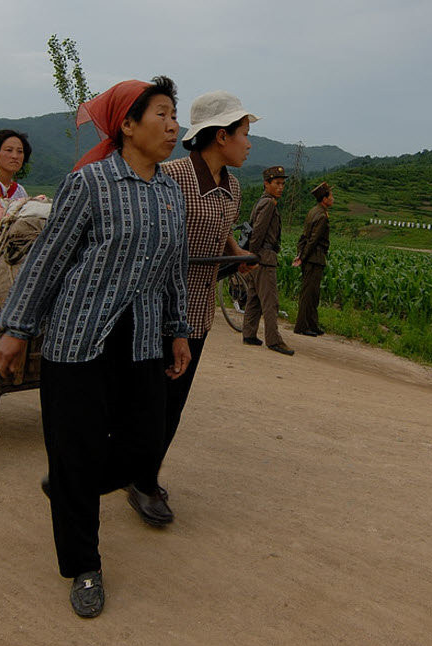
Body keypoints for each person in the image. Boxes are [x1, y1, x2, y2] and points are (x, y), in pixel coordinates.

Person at [0, 77, 191, 619]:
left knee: (144, 443)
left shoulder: (170, 191)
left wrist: (177, 328)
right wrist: (17, 328)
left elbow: (172, 269)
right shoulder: (90, 182)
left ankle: (67, 485)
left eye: (175, 115)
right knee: (77, 450)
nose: (174, 125)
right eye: (161, 114)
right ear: (127, 125)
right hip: (79, 338)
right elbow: (49, 259)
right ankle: (83, 566)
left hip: (143, 338)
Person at [128, 90, 258, 526]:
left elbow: (221, 233)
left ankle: (142, 474)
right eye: (245, 133)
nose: (249, 143)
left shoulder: (232, 186)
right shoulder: (170, 176)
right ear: (221, 136)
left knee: (174, 403)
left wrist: (238, 256)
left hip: (199, 311)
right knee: (153, 401)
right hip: (160, 310)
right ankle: (142, 482)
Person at [242, 166, 295, 355]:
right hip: (264, 258)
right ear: (267, 184)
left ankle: (249, 334)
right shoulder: (269, 204)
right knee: (270, 301)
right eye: (277, 183)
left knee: (254, 298)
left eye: (283, 184)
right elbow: (258, 233)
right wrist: (253, 256)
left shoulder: (262, 202)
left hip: (257, 257)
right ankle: (274, 340)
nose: (281, 187)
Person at [293, 181, 333, 336]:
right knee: (309, 294)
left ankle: (312, 324)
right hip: (314, 258)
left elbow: (303, 237)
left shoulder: (313, 211)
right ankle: (302, 326)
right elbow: (313, 240)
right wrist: (302, 257)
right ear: (324, 199)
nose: (333, 199)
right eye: (331, 196)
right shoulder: (322, 216)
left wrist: (300, 253)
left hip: (310, 257)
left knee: (313, 293)